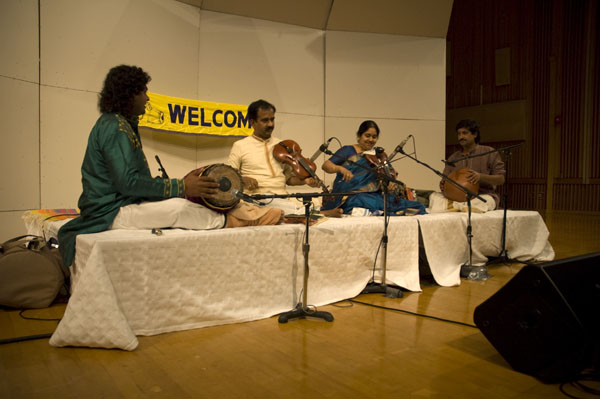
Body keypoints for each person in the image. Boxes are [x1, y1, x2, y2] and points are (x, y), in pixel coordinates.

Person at [58, 66, 281, 267]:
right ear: (129, 94)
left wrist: (181, 188)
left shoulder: (121, 124)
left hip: (122, 204)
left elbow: (132, 180)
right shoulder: (114, 127)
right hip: (108, 211)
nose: (147, 98)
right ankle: (239, 219)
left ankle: (248, 212)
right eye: (143, 92)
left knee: (178, 202)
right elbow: (128, 183)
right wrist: (181, 187)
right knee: (180, 209)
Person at [226, 99, 328, 215]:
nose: (270, 124)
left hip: (282, 199)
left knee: (313, 203)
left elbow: (289, 179)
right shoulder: (240, 146)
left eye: (272, 119)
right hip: (254, 201)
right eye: (265, 120)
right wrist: (243, 179)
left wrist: (306, 181)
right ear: (252, 122)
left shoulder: (283, 146)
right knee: (306, 212)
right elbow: (228, 175)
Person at [320, 120, 426, 216]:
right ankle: (384, 213)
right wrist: (340, 169)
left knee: (418, 207)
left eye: (374, 137)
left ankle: (387, 213)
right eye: (367, 135)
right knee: (361, 202)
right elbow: (326, 166)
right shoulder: (348, 150)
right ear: (359, 135)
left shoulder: (379, 155)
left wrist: (391, 183)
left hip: (376, 196)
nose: (370, 139)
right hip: (353, 196)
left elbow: (390, 175)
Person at [430, 119, 505, 213]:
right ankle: (462, 207)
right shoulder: (453, 158)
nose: (461, 137)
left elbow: (501, 179)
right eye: (459, 134)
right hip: (456, 197)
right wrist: (443, 184)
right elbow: (445, 179)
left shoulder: (489, 152)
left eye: (465, 133)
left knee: (485, 201)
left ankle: (458, 207)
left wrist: (480, 177)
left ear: (475, 134)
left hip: (481, 195)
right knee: (434, 196)